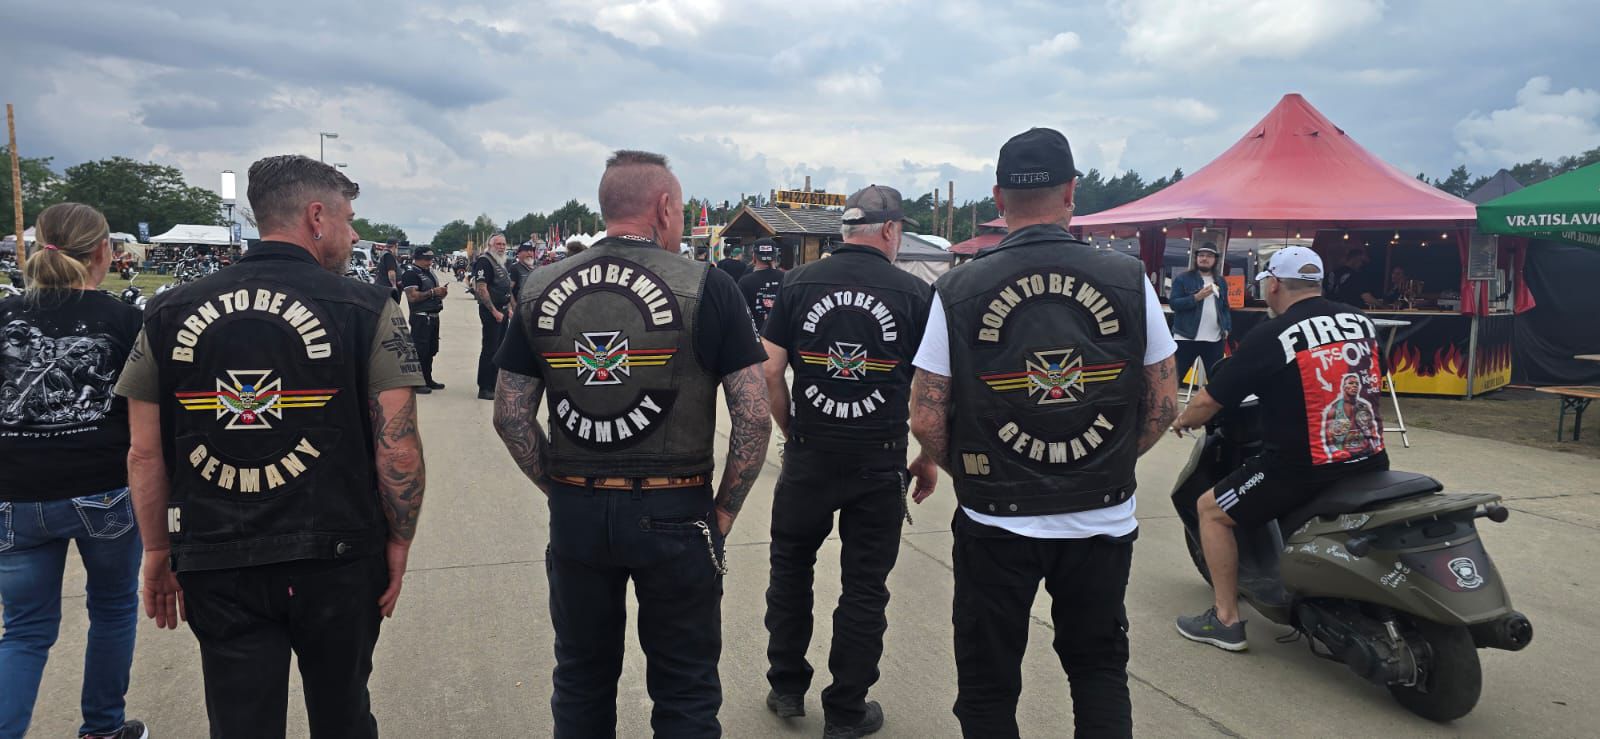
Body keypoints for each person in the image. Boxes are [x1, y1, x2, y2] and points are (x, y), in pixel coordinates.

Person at [117, 155, 428, 738]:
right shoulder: (367, 308)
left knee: (241, 722)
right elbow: (398, 447)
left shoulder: (167, 310)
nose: (353, 234)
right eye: (348, 219)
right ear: (316, 217)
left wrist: (157, 549)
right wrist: (400, 539)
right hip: (337, 551)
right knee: (344, 713)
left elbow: (144, 452)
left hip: (217, 551)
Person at [909, 127, 1178, 738]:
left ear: (998, 198)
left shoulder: (956, 287)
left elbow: (925, 416)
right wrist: (1106, 460)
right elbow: (1163, 404)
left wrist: (978, 472)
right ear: (1072, 192)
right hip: (1101, 516)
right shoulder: (1127, 276)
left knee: (987, 683)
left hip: (995, 518)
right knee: (1098, 670)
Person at [493, 149, 771, 737]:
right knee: (686, 687)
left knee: (581, 678)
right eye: (681, 208)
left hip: (578, 507)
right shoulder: (709, 286)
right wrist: (722, 513)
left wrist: (559, 488)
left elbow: (511, 417)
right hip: (678, 506)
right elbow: (753, 417)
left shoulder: (539, 286)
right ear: (664, 207)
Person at [760, 185, 935, 738]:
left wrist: (792, 430)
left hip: (810, 454)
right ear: (890, 229)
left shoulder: (796, 283)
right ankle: (846, 709)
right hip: (878, 459)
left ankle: (787, 686)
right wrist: (928, 455)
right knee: (864, 586)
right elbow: (932, 388)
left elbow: (769, 371)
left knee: (791, 569)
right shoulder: (916, 293)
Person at [1170, 246, 1389, 652]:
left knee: (1210, 510)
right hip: (1369, 459)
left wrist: (1183, 419)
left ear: (1273, 285)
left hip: (1301, 469)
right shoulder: (1360, 321)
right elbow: (1377, 372)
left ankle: (1225, 620)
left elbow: (1211, 399)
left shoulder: (1274, 333)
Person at [0, 203, 147, 739]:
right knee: (112, 610)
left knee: (24, 631)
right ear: (104, 251)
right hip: (101, 489)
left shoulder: (4, 313)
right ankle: (103, 728)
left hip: (13, 492)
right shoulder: (126, 320)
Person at [1168, 243, 1231, 384]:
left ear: (1215, 260)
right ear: (1196, 258)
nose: (1204, 258)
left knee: (1217, 383)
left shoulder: (1221, 281)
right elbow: (1174, 304)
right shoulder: (1183, 278)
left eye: (1209, 256)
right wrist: (1196, 297)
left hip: (1214, 339)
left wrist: (1227, 327)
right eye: (1201, 255)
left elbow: (1225, 307)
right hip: (1185, 337)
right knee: (1173, 381)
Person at [400, 246, 449, 394]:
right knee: (420, 351)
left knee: (431, 350)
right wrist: (433, 292)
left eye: (431, 259)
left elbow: (433, 293)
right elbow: (412, 297)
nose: (429, 262)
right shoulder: (411, 273)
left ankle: (427, 379)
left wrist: (441, 293)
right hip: (421, 317)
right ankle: (417, 382)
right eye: (426, 259)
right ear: (417, 258)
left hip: (433, 316)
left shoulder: (429, 273)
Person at [473, 233, 513, 400]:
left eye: (503, 244)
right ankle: (485, 387)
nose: (502, 247)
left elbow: (506, 287)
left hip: (503, 311)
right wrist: (494, 311)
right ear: (490, 245)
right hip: (492, 312)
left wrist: (508, 308)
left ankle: (495, 384)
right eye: (498, 244)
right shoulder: (485, 261)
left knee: (499, 349)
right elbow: (481, 288)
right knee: (490, 349)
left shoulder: (500, 262)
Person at [737, 238, 786, 332]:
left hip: (754, 335)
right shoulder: (786, 278)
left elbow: (740, 313)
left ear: (754, 256)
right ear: (775, 256)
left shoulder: (745, 281)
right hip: (780, 335)